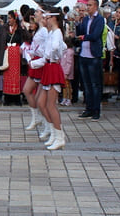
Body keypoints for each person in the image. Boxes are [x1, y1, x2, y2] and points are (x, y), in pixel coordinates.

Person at [40, 8, 68, 150]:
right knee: (43, 103)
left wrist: (50, 54)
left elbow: (58, 46)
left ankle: (59, 136)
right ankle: (54, 133)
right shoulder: (52, 32)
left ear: (54, 18)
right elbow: (63, 46)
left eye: (48, 17)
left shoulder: (57, 32)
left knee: (51, 105)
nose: (46, 19)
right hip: (49, 67)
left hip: (53, 67)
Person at [76, 0, 105, 120]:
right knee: (86, 85)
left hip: (93, 55)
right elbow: (80, 32)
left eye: (90, 5)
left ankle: (96, 110)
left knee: (95, 85)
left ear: (96, 7)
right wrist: (78, 24)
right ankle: (88, 108)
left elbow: (95, 36)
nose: (88, 7)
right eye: (87, 5)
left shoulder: (100, 19)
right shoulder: (86, 19)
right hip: (84, 55)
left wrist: (83, 37)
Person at [23, 9, 48, 131]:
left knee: (41, 96)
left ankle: (46, 123)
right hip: (35, 62)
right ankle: (36, 117)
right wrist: (29, 52)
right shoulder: (38, 31)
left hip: (41, 63)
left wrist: (37, 56)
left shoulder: (44, 31)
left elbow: (45, 48)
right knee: (27, 90)